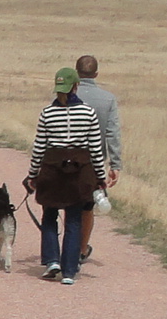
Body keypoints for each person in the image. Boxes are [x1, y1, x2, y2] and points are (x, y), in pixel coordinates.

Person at [26, 66, 104, 285]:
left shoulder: (47, 113)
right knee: (74, 220)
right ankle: (69, 271)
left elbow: (39, 148)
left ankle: (52, 260)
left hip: (51, 169)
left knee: (50, 216)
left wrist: (33, 174)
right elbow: (95, 149)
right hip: (80, 172)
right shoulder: (88, 112)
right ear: (76, 86)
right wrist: (100, 176)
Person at [70, 54, 123, 266]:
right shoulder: (107, 99)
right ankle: (81, 249)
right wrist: (115, 164)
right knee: (87, 207)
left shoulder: (65, 95)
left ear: (76, 73)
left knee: (67, 204)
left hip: (65, 158)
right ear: (96, 74)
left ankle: (66, 246)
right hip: (93, 162)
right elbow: (113, 133)